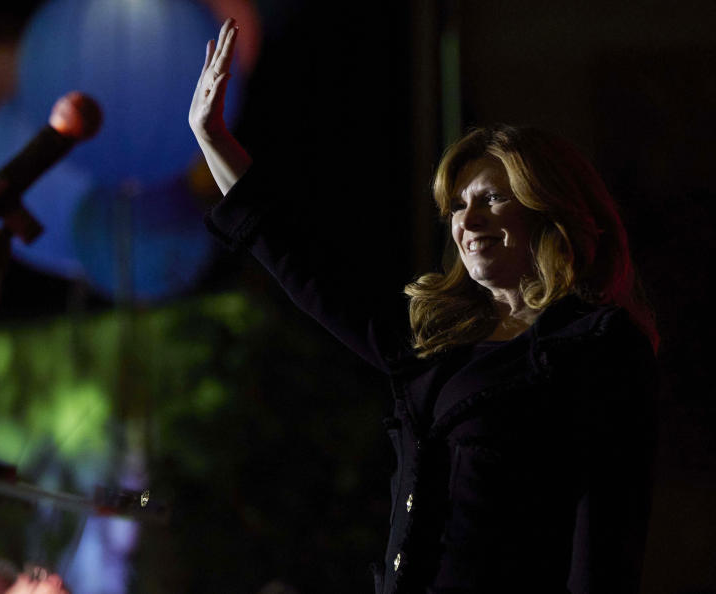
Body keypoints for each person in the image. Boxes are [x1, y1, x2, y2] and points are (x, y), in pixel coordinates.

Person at [189, 18, 659, 594]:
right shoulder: (437, 341)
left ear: (548, 209)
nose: (468, 219)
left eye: (490, 198)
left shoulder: (598, 346)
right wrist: (214, 140)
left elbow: (606, 541)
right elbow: (306, 273)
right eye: (458, 206)